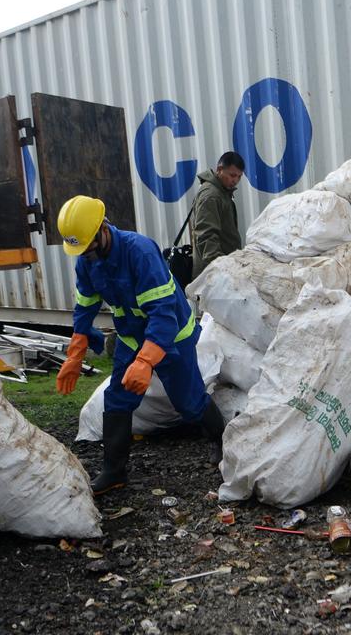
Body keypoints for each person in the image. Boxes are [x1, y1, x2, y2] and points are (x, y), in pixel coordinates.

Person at [55, 195, 225, 495]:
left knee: (188, 401)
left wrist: (146, 362)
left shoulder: (140, 252)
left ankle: (221, 440)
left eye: (87, 247)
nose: (85, 256)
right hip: (132, 337)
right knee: (117, 398)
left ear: (102, 230)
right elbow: (85, 305)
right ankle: (114, 472)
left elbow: (163, 314)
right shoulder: (87, 260)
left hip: (172, 336)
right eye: (80, 250)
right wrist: (76, 351)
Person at [190, 151, 244, 279]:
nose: (235, 180)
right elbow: (206, 236)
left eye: (239, 177)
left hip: (222, 272)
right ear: (220, 170)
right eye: (232, 175)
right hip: (213, 276)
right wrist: (222, 269)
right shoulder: (211, 196)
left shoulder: (222, 193)